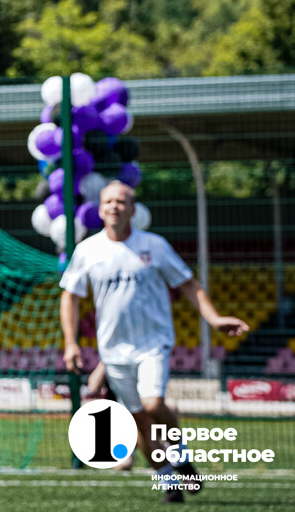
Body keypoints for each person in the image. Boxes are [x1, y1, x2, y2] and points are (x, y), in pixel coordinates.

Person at [60, 181, 249, 503]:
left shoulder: (154, 245)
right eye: (108, 201)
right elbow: (70, 297)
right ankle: (169, 484)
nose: (114, 206)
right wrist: (71, 343)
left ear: (133, 210)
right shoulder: (87, 250)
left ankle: (181, 456)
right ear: (100, 209)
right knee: (139, 422)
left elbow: (188, 284)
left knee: (153, 404)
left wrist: (215, 319)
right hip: (113, 352)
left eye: (121, 201)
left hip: (153, 344)